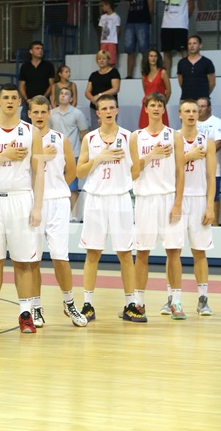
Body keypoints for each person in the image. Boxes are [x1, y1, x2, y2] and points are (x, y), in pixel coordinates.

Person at [0, 83, 44, 334]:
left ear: (20, 103)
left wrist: (37, 206)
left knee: (23, 262)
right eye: (6, 97)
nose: (11, 101)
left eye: (15, 97)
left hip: (20, 198)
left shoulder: (31, 132)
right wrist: (6, 155)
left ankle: (25, 313)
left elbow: (38, 172)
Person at [76, 94, 143, 323]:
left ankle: (130, 304)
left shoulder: (129, 136)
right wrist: (101, 158)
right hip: (96, 199)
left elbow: (136, 170)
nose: (107, 111)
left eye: (111, 107)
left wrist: (123, 180)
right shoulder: (90, 139)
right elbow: (79, 172)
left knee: (125, 253)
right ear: (97, 112)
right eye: (103, 108)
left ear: (116, 110)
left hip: (120, 198)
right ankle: (88, 305)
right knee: (92, 252)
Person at [27, 96, 89, 328]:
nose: (40, 116)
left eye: (44, 112)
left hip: (57, 203)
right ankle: (35, 307)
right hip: (31, 203)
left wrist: (58, 188)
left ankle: (69, 303)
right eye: (36, 112)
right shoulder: (24, 140)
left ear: (49, 114)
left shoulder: (60, 139)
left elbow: (72, 172)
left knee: (60, 257)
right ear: (30, 113)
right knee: (32, 259)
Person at [159, 100, 216, 316]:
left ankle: (203, 299)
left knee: (199, 251)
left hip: (199, 198)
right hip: (176, 199)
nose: (191, 114)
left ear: (198, 113)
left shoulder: (207, 142)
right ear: (180, 114)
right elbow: (168, 169)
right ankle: (172, 299)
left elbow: (211, 176)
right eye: (187, 111)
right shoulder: (172, 139)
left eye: (194, 110)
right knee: (172, 251)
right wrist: (188, 156)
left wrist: (210, 206)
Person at [132, 92, 186, 319]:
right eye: (152, 105)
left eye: (159, 105)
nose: (155, 108)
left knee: (173, 251)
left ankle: (177, 301)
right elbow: (133, 172)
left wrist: (178, 203)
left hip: (167, 197)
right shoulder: (135, 137)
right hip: (145, 199)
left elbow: (180, 172)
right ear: (145, 109)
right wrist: (152, 154)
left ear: (164, 109)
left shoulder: (174, 136)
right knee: (142, 252)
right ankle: (139, 302)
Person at [49, 87, 89, 220]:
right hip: (55, 156)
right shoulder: (51, 113)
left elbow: (84, 134)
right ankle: (59, 216)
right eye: (61, 93)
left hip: (74, 153)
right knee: (55, 185)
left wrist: (84, 154)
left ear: (71, 99)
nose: (63, 95)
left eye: (66, 94)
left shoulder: (77, 113)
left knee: (73, 187)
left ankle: (75, 216)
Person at [196, 97, 221, 225]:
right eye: (198, 106)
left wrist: (202, 153)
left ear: (209, 108)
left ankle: (215, 225)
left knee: (213, 198)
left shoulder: (217, 122)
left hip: (213, 169)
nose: (200, 109)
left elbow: (218, 143)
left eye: (203, 106)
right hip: (195, 168)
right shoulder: (192, 122)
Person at [160, 0, 194, 73]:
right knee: (166, 51)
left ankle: (186, 73)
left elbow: (191, 5)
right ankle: (167, 76)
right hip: (166, 24)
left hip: (180, 24)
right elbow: (164, 3)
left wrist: (184, 18)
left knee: (183, 50)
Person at [123, 0, 154, 79]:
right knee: (129, 49)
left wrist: (145, 17)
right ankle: (129, 74)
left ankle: (145, 72)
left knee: (144, 48)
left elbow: (151, 7)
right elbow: (128, 6)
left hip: (142, 21)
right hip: (131, 21)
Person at [85, 50, 121, 129]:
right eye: (99, 59)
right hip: (95, 107)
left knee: (110, 128)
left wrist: (100, 95)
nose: (101, 61)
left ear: (108, 60)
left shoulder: (114, 72)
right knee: (95, 130)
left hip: (109, 106)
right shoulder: (93, 75)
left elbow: (115, 89)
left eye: (104, 58)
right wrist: (93, 99)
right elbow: (87, 91)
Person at [19, 41, 55, 117]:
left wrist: (43, 98)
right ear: (31, 51)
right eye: (37, 48)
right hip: (28, 102)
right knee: (25, 125)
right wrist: (26, 99)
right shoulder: (25, 67)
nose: (40, 50)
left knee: (44, 125)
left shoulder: (48, 66)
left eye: (41, 49)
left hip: (44, 103)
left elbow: (52, 85)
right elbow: (22, 85)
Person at [138, 49, 171, 128]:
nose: (153, 58)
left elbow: (169, 90)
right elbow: (145, 91)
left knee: (161, 130)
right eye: (151, 56)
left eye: (155, 56)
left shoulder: (162, 72)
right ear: (147, 58)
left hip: (159, 105)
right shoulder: (144, 74)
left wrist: (163, 103)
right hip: (147, 106)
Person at [177, 35, 216, 102]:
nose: (192, 46)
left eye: (194, 43)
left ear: (200, 45)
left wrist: (205, 95)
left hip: (202, 101)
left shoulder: (207, 62)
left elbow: (212, 83)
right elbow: (181, 82)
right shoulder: (181, 63)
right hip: (185, 99)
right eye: (189, 43)